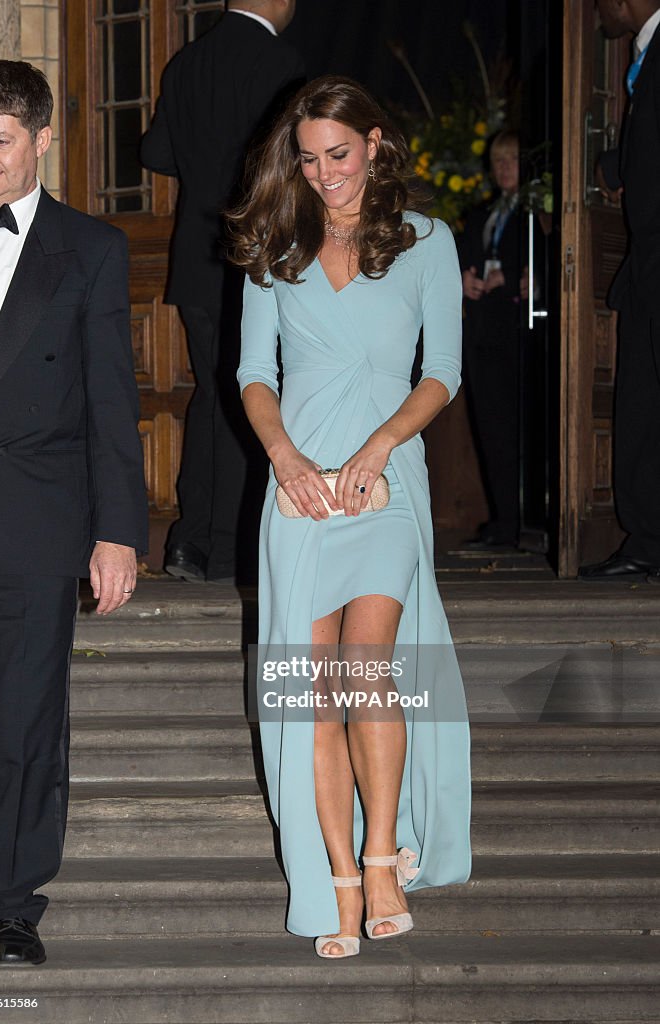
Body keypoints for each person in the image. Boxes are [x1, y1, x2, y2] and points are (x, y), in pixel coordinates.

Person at [228, 75, 471, 958]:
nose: (325, 174)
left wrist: (376, 449)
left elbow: (441, 371)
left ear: (374, 143)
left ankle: (379, 856)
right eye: (309, 159)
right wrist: (285, 460)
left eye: (339, 154)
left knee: (368, 665)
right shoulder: (274, 250)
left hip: (384, 480)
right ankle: (333, 874)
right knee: (313, 694)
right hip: (299, 488)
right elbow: (254, 375)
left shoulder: (428, 241)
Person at [0, 60, 148, 965]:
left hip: (34, 510)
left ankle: (9, 901)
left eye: (0, 142)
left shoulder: (93, 247)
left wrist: (117, 531)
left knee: (27, 715)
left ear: (41, 139)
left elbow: (113, 401)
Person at [140, 0, 304, 584]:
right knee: (248, 395)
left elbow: (154, 152)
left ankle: (189, 541)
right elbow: (294, 164)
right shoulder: (280, 63)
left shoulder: (186, 62)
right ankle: (232, 547)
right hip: (254, 257)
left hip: (194, 259)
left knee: (213, 395)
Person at [579, 0, 660, 582]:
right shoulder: (646, 55)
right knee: (639, 399)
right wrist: (617, 163)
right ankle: (648, 538)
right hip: (646, 259)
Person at [458, 131, 529, 549]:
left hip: (518, 333)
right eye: (499, 161)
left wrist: (513, 276)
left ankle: (522, 521)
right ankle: (503, 521)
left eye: (513, 160)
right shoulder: (482, 212)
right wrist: (463, 277)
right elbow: (463, 257)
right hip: (484, 335)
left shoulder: (538, 214)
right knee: (490, 430)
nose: (504, 169)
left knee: (518, 430)